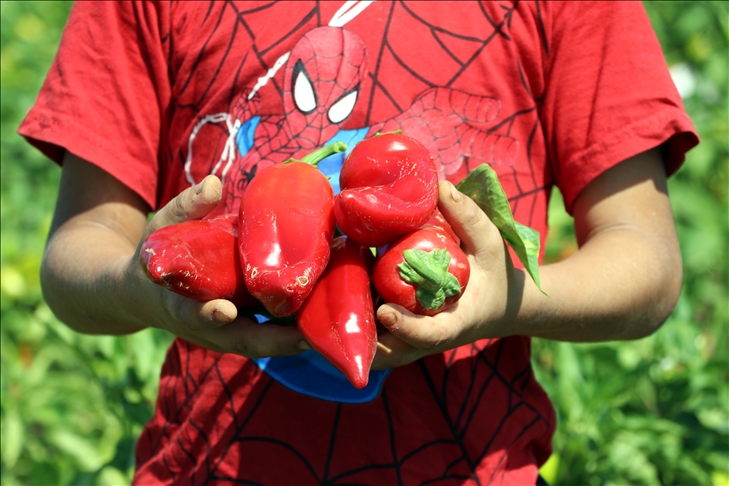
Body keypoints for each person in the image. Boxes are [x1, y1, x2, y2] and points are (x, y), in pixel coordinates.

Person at [19, 1, 698, 484]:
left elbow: (645, 262)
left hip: (480, 464)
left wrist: (505, 300)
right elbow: (77, 255)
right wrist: (139, 283)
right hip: (203, 464)